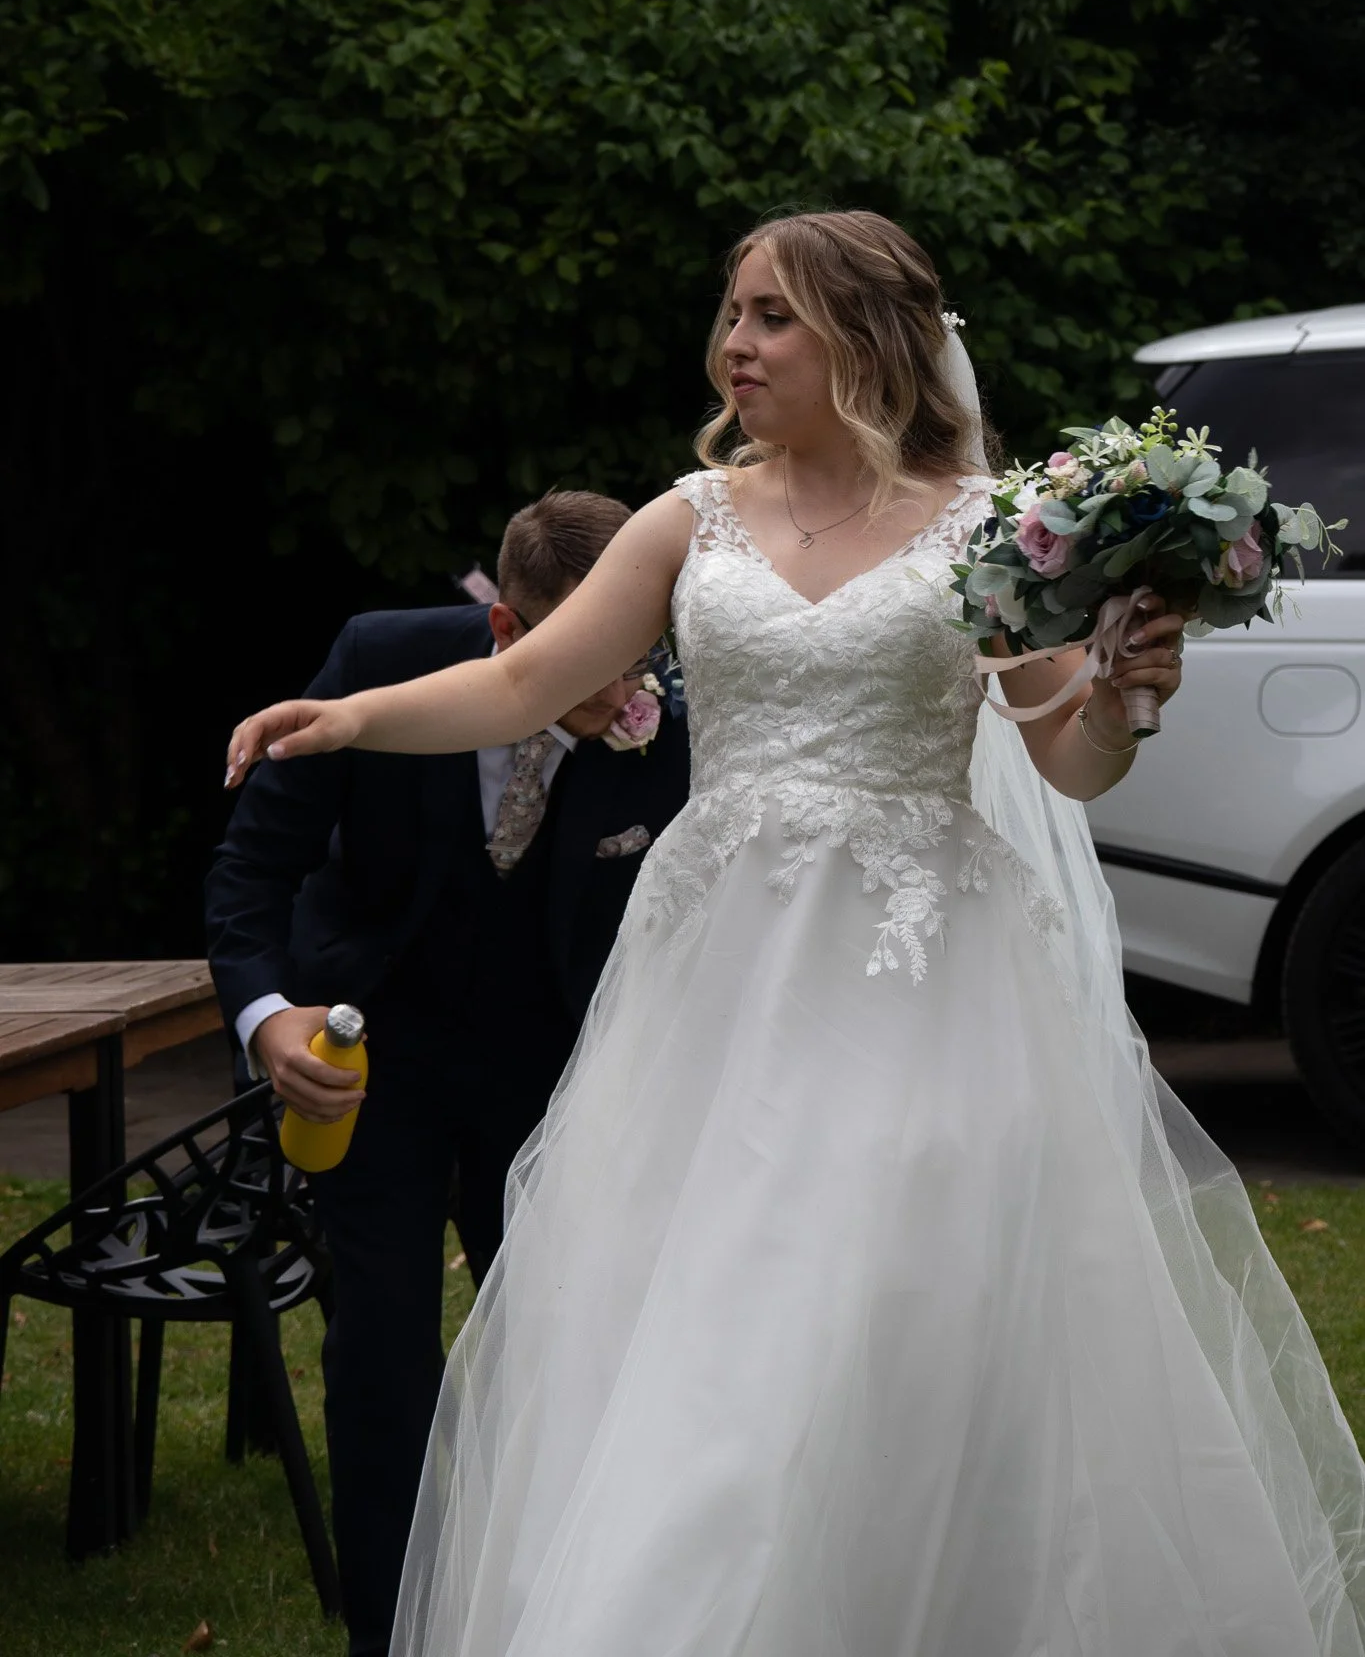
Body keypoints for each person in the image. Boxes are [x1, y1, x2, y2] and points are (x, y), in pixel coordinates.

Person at [226, 211, 1365, 1657]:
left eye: (771, 316)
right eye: (732, 311)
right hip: (719, 977)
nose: (734, 344)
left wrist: (1123, 698)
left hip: (922, 976)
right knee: (716, 1316)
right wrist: (351, 721)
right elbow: (528, 686)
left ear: (867, 339)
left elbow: (1061, 761)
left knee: (889, 1313)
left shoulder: (988, 528)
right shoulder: (688, 516)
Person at [205, 489, 689, 1657]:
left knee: (563, 1344)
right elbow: (250, 873)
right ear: (510, 637)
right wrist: (272, 1021)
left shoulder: (671, 712)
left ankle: (551, 1612)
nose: (628, 694)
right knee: (382, 1347)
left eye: (638, 659)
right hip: (375, 1060)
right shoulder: (380, 661)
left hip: (556, 1065)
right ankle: (393, 1628)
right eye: (594, 665)